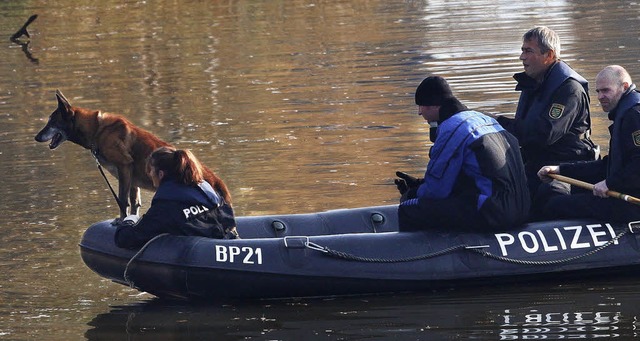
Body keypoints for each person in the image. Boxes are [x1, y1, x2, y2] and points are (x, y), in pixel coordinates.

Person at [395, 76, 530, 232]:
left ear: (434, 106)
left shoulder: (452, 128)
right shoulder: (484, 120)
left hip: (495, 213)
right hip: (522, 208)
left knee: (408, 209)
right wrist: (420, 183)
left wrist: (412, 193)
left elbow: (437, 191)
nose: (419, 112)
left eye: (421, 106)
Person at [495, 26, 598, 216]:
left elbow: (543, 134)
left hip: (566, 166)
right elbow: (524, 130)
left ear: (549, 55)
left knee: (549, 198)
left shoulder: (569, 90)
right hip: (535, 163)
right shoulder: (532, 83)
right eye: (522, 50)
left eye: (528, 51)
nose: (522, 57)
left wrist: (498, 124)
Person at [537, 65, 640, 221]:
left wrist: (609, 183)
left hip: (631, 204)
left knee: (555, 205)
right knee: (569, 192)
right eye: (598, 91)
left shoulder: (634, 116)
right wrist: (560, 170)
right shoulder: (626, 112)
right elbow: (609, 166)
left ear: (624, 87)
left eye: (606, 90)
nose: (600, 96)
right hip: (627, 191)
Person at [114, 146, 238, 249]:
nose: (150, 175)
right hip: (226, 244)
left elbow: (126, 239)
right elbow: (228, 220)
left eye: (151, 171)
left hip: (201, 258)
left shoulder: (166, 206)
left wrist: (129, 221)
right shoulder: (207, 191)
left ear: (161, 174)